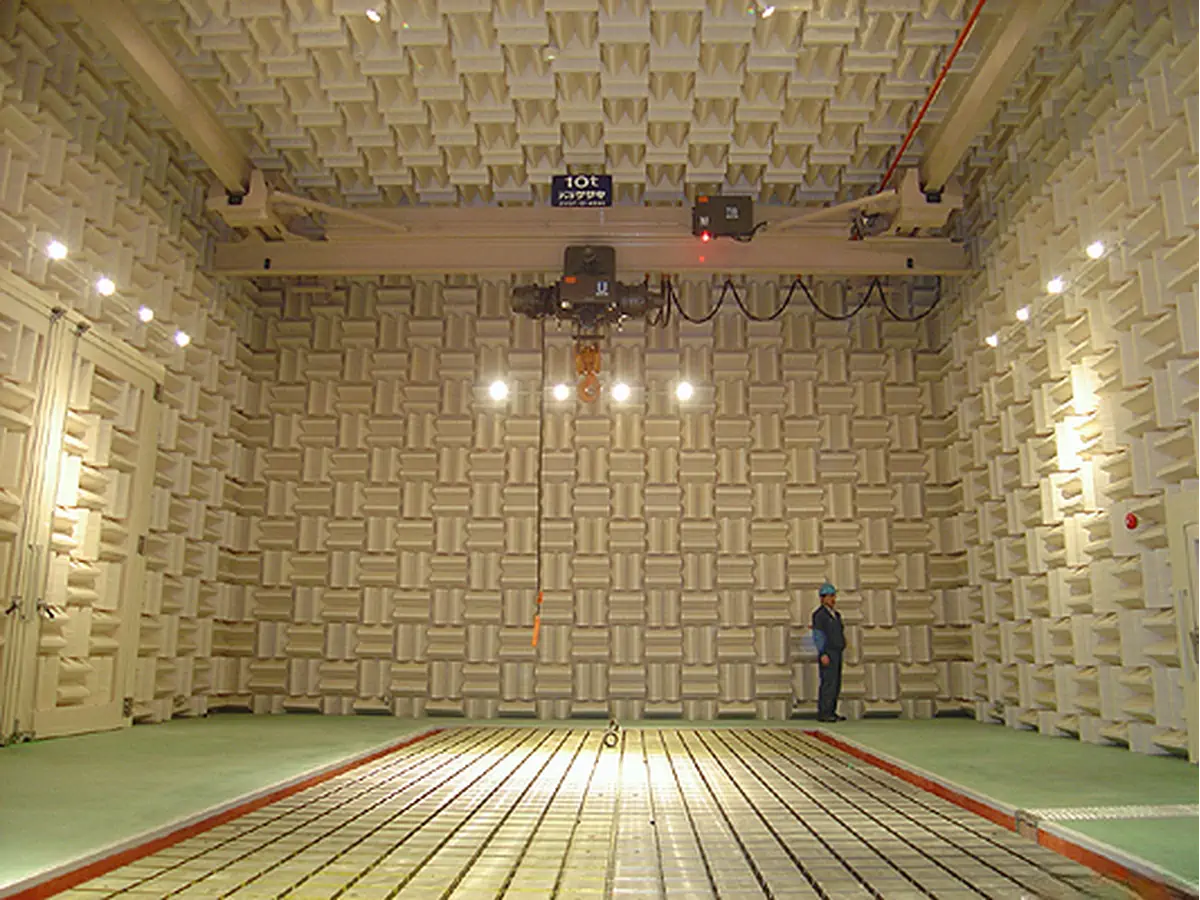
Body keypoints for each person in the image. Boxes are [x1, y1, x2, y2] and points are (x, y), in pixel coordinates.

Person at [812, 582, 846, 722]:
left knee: (836, 683)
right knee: (828, 683)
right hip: (828, 653)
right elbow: (818, 636)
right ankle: (824, 712)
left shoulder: (836, 615)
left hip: (837, 652)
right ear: (822, 598)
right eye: (829, 596)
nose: (833, 599)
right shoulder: (819, 615)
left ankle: (832, 710)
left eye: (833, 596)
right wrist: (822, 653)